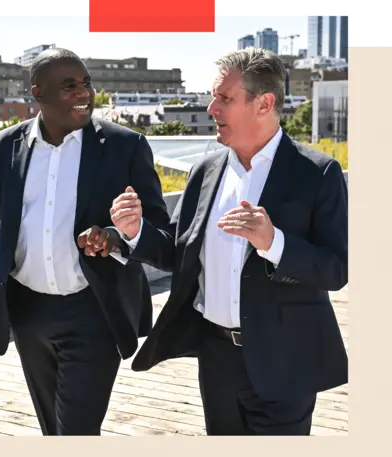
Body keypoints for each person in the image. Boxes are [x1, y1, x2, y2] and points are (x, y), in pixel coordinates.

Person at [99, 47, 348, 435]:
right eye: (213, 97)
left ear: (264, 103)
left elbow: (336, 269)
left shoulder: (318, 173)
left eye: (225, 99)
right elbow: (179, 254)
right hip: (216, 359)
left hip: (286, 359)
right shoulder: (205, 171)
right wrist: (135, 233)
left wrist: (273, 243)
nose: (212, 108)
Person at [0, 48, 170, 436]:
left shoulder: (125, 146)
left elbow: (162, 235)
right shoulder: (3, 148)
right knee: (52, 431)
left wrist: (118, 237)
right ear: (38, 94)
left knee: (76, 433)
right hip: (27, 313)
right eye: (68, 86)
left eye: (86, 83)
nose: (83, 93)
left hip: (95, 311)